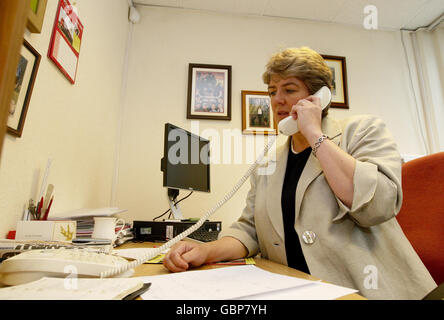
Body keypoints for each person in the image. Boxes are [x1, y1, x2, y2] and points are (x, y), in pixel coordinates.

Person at [163, 47, 437, 300]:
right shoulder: (267, 164)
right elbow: (249, 231)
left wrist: (314, 134)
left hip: (366, 292)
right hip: (296, 289)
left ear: (320, 97)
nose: (277, 100)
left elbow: (377, 206)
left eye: (289, 89)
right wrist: (206, 251)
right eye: (272, 91)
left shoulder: (362, 131)